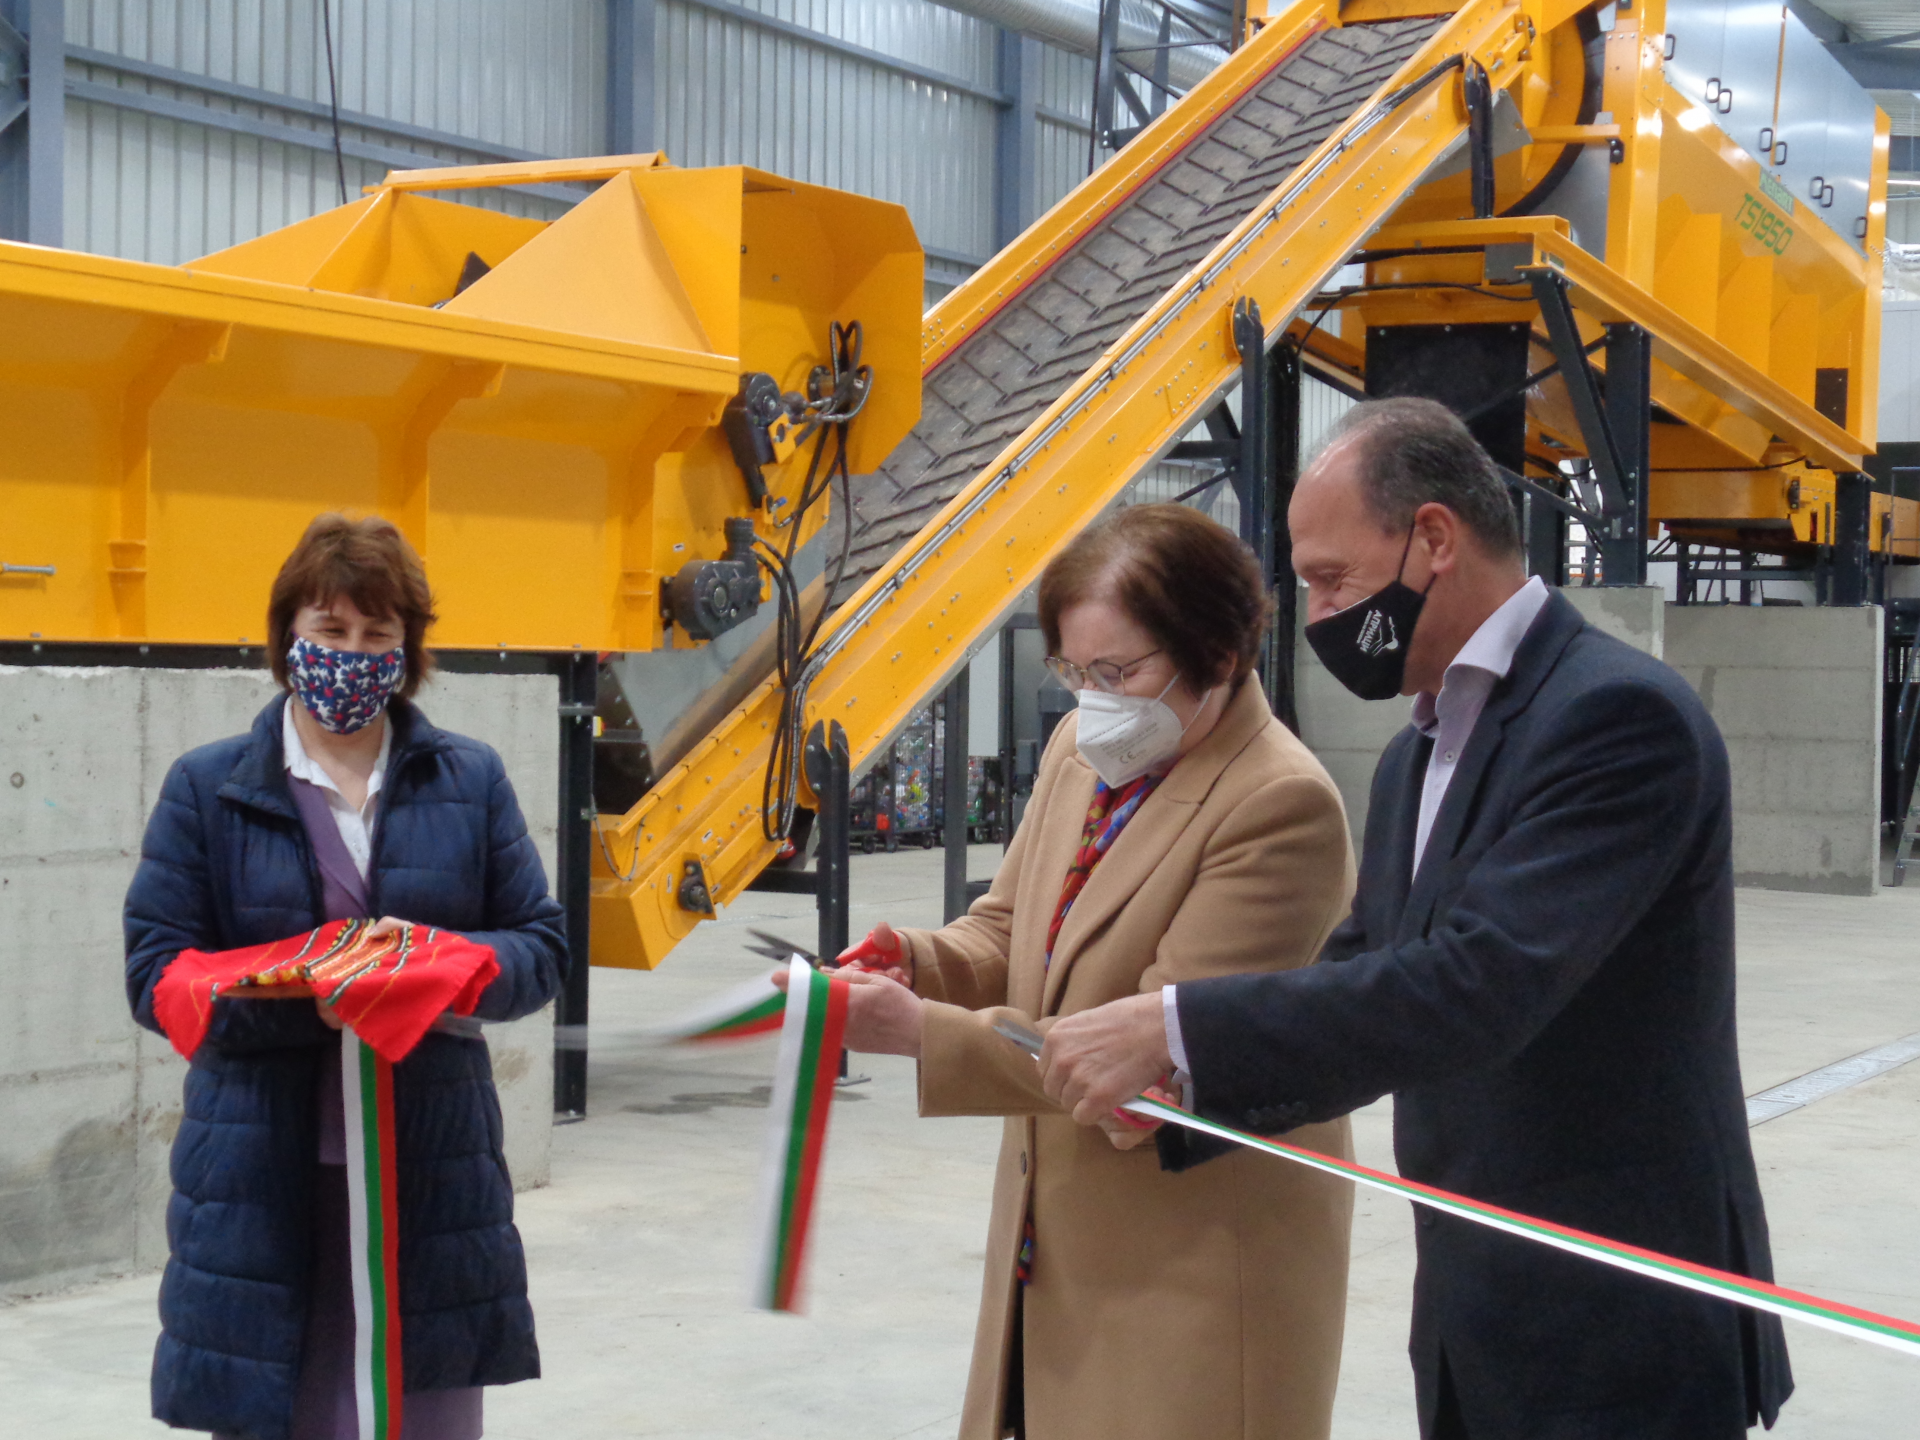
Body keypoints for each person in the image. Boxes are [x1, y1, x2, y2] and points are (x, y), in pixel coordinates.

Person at [1037, 398, 1794, 1439]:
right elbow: (1364, 968)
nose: (1318, 617)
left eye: (1332, 581)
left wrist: (1173, 1024)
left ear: (1433, 538)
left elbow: (1480, 984)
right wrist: (1190, 1090)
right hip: (1475, 1297)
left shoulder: (1616, 718)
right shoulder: (1418, 751)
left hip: (1619, 1313)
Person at [814, 504, 1359, 1440]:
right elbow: (1011, 930)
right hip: (1059, 1238)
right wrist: (919, 964)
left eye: (1119, 673)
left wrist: (920, 1034)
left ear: (1218, 655)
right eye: (1073, 672)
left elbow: (1146, 1062)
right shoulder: (1083, 754)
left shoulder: (1279, 805)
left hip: (1195, 1261)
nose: (1094, 701)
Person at [124, 514, 568, 1440]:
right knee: (281, 1396)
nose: (352, 654)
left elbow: (541, 946)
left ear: (408, 649)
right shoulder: (208, 786)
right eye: (330, 629)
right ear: (288, 635)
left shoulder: (470, 778)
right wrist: (308, 998)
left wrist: (444, 969)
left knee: (422, 1403)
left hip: (429, 1163)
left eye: (377, 633)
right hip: (260, 1165)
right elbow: (155, 973)